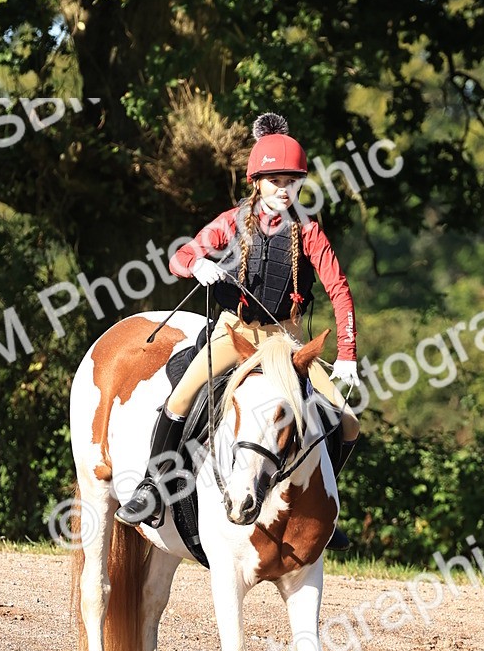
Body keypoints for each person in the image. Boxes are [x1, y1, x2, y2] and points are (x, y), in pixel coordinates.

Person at [116, 113, 360, 550]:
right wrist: (198, 264)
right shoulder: (232, 221)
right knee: (181, 398)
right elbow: (182, 255)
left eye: (291, 181)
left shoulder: (309, 232)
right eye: (274, 181)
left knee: (347, 421)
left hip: (285, 341)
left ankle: (324, 504)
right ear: (257, 182)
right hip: (236, 333)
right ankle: (151, 489)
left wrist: (347, 354)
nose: (283, 190)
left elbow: (339, 289)